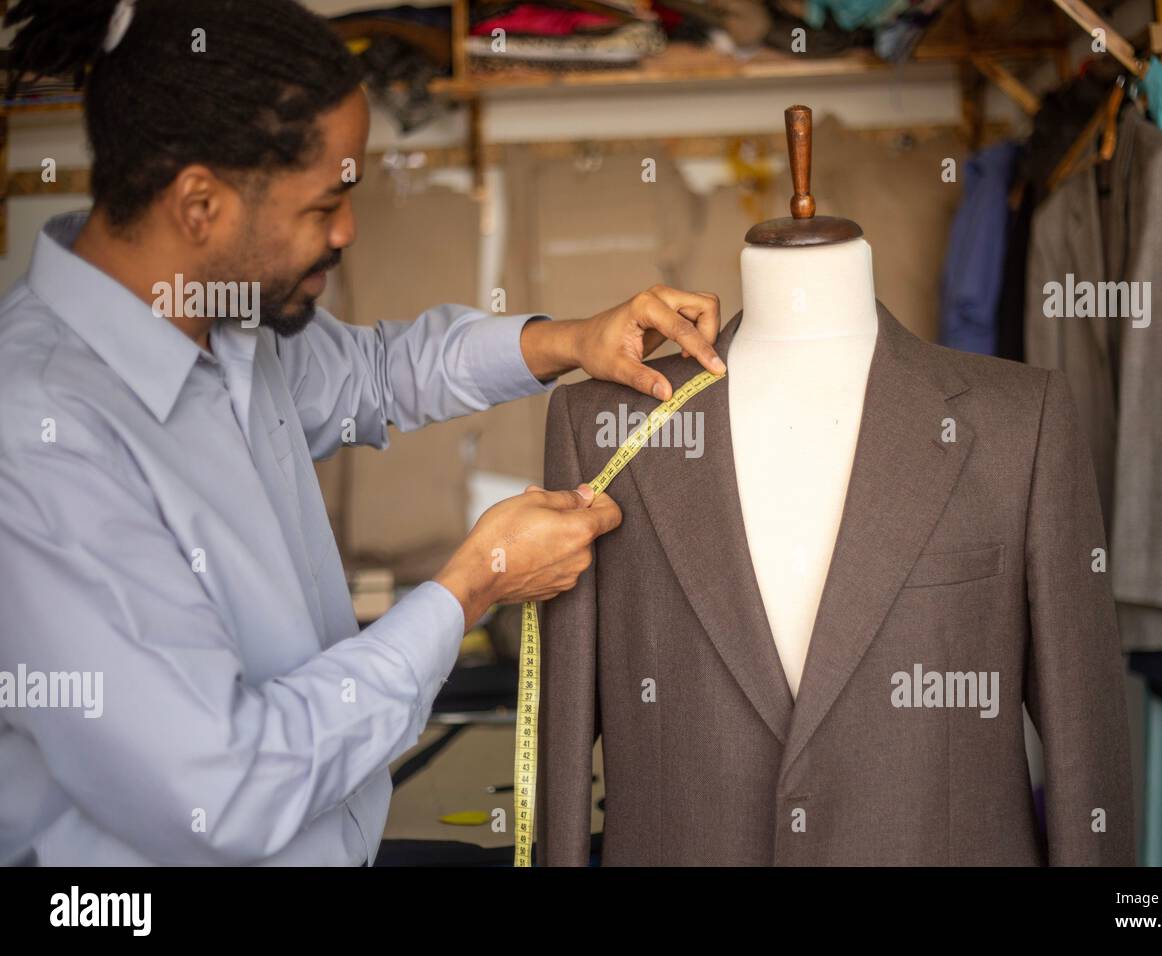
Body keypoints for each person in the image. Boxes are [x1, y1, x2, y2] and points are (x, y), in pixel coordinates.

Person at [0, 0, 725, 866]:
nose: (348, 231)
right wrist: (471, 588)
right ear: (200, 204)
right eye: (327, 202)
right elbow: (226, 787)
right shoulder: (40, 439)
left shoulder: (223, 328)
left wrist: (568, 340)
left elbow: (380, 373)